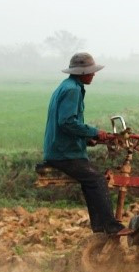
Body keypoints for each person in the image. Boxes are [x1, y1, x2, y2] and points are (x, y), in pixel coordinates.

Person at [43, 52, 129, 236]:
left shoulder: (67, 86)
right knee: (96, 180)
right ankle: (111, 227)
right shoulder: (72, 90)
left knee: (91, 181)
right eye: (91, 71)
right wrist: (95, 132)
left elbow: (68, 125)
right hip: (63, 153)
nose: (94, 74)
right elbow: (66, 122)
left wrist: (88, 139)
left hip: (62, 148)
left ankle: (99, 227)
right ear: (81, 72)